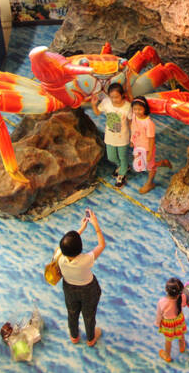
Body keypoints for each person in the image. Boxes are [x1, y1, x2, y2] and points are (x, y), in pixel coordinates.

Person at [53, 209, 105, 346]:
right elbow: (101, 245)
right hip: (88, 290)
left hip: (69, 288)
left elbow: (66, 244)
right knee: (89, 316)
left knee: (72, 313)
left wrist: (81, 228)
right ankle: (90, 338)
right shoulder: (85, 260)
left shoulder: (58, 254)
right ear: (80, 247)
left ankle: (74, 336)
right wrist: (96, 226)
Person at [94, 82, 133, 187]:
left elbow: (130, 121)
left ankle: (122, 175)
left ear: (122, 95)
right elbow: (97, 112)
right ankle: (123, 166)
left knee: (122, 157)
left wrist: (132, 136)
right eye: (112, 97)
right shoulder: (106, 103)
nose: (114, 99)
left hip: (123, 138)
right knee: (111, 157)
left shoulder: (127, 106)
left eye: (116, 97)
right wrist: (94, 104)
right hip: (110, 136)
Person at [130, 97, 172, 194]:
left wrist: (149, 154)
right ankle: (162, 163)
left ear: (145, 108)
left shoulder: (149, 123)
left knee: (150, 167)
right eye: (135, 109)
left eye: (140, 109)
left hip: (147, 149)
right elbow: (133, 128)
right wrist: (132, 140)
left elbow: (151, 139)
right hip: (138, 146)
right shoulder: (134, 116)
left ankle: (150, 183)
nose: (137, 111)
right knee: (142, 165)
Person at [156, 277, 188, 362]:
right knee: (181, 335)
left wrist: (158, 324)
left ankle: (167, 356)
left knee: (168, 341)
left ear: (166, 289)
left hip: (168, 324)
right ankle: (182, 348)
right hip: (179, 320)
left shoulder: (162, 302)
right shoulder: (182, 297)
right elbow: (184, 304)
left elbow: (159, 315)